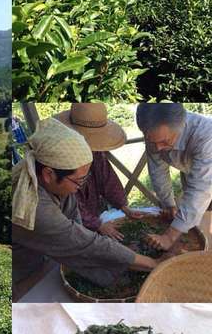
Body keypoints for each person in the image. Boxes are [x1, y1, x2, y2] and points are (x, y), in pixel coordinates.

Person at [12, 117, 159, 301]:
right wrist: (151, 263)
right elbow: (85, 243)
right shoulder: (33, 207)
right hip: (20, 271)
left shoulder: (59, 178)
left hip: (46, 256)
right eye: (78, 181)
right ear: (49, 174)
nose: (80, 187)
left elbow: (78, 227)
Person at [54, 102, 145, 240]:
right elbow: (70, 199)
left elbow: (108, 179)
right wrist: (98, 224)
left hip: (92, 209)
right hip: (67, 219)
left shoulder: (96, 153)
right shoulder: (61, 158)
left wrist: (124, 207)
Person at [136, 102, 212, 252]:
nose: (157, 148)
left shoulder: (206, 135)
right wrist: (169, 204)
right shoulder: (155, 133)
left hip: (205, 176)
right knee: (197, 221)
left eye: (165, 142)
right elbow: (158, 171)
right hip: (192, 171)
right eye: (152, 142)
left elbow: (200, 190)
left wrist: (169, 237)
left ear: (181, 127)